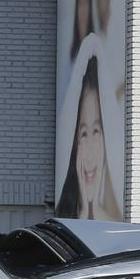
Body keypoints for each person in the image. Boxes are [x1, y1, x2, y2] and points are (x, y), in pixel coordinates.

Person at [55, 57, 122, 221]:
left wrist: (94, 209)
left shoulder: (117, 221)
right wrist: (85, 212)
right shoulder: (61, 216)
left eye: (97, 131)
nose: (91, 152)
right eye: (83, 134)